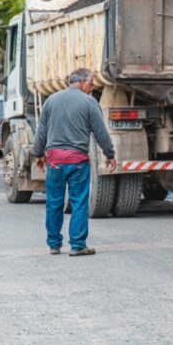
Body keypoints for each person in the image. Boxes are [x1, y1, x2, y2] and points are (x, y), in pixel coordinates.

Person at [32, 68, 117, 256]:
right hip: (77, 160)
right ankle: (78, 245)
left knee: (54, 202)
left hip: (54, 160)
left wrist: (38, 154)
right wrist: (109, 154)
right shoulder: (89, 102)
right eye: (91, 85)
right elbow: (100, 132)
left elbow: (42, 131)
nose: (91, 89)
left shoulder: (51, 101)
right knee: (79, 202)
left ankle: (54, 245)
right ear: (83, 82)